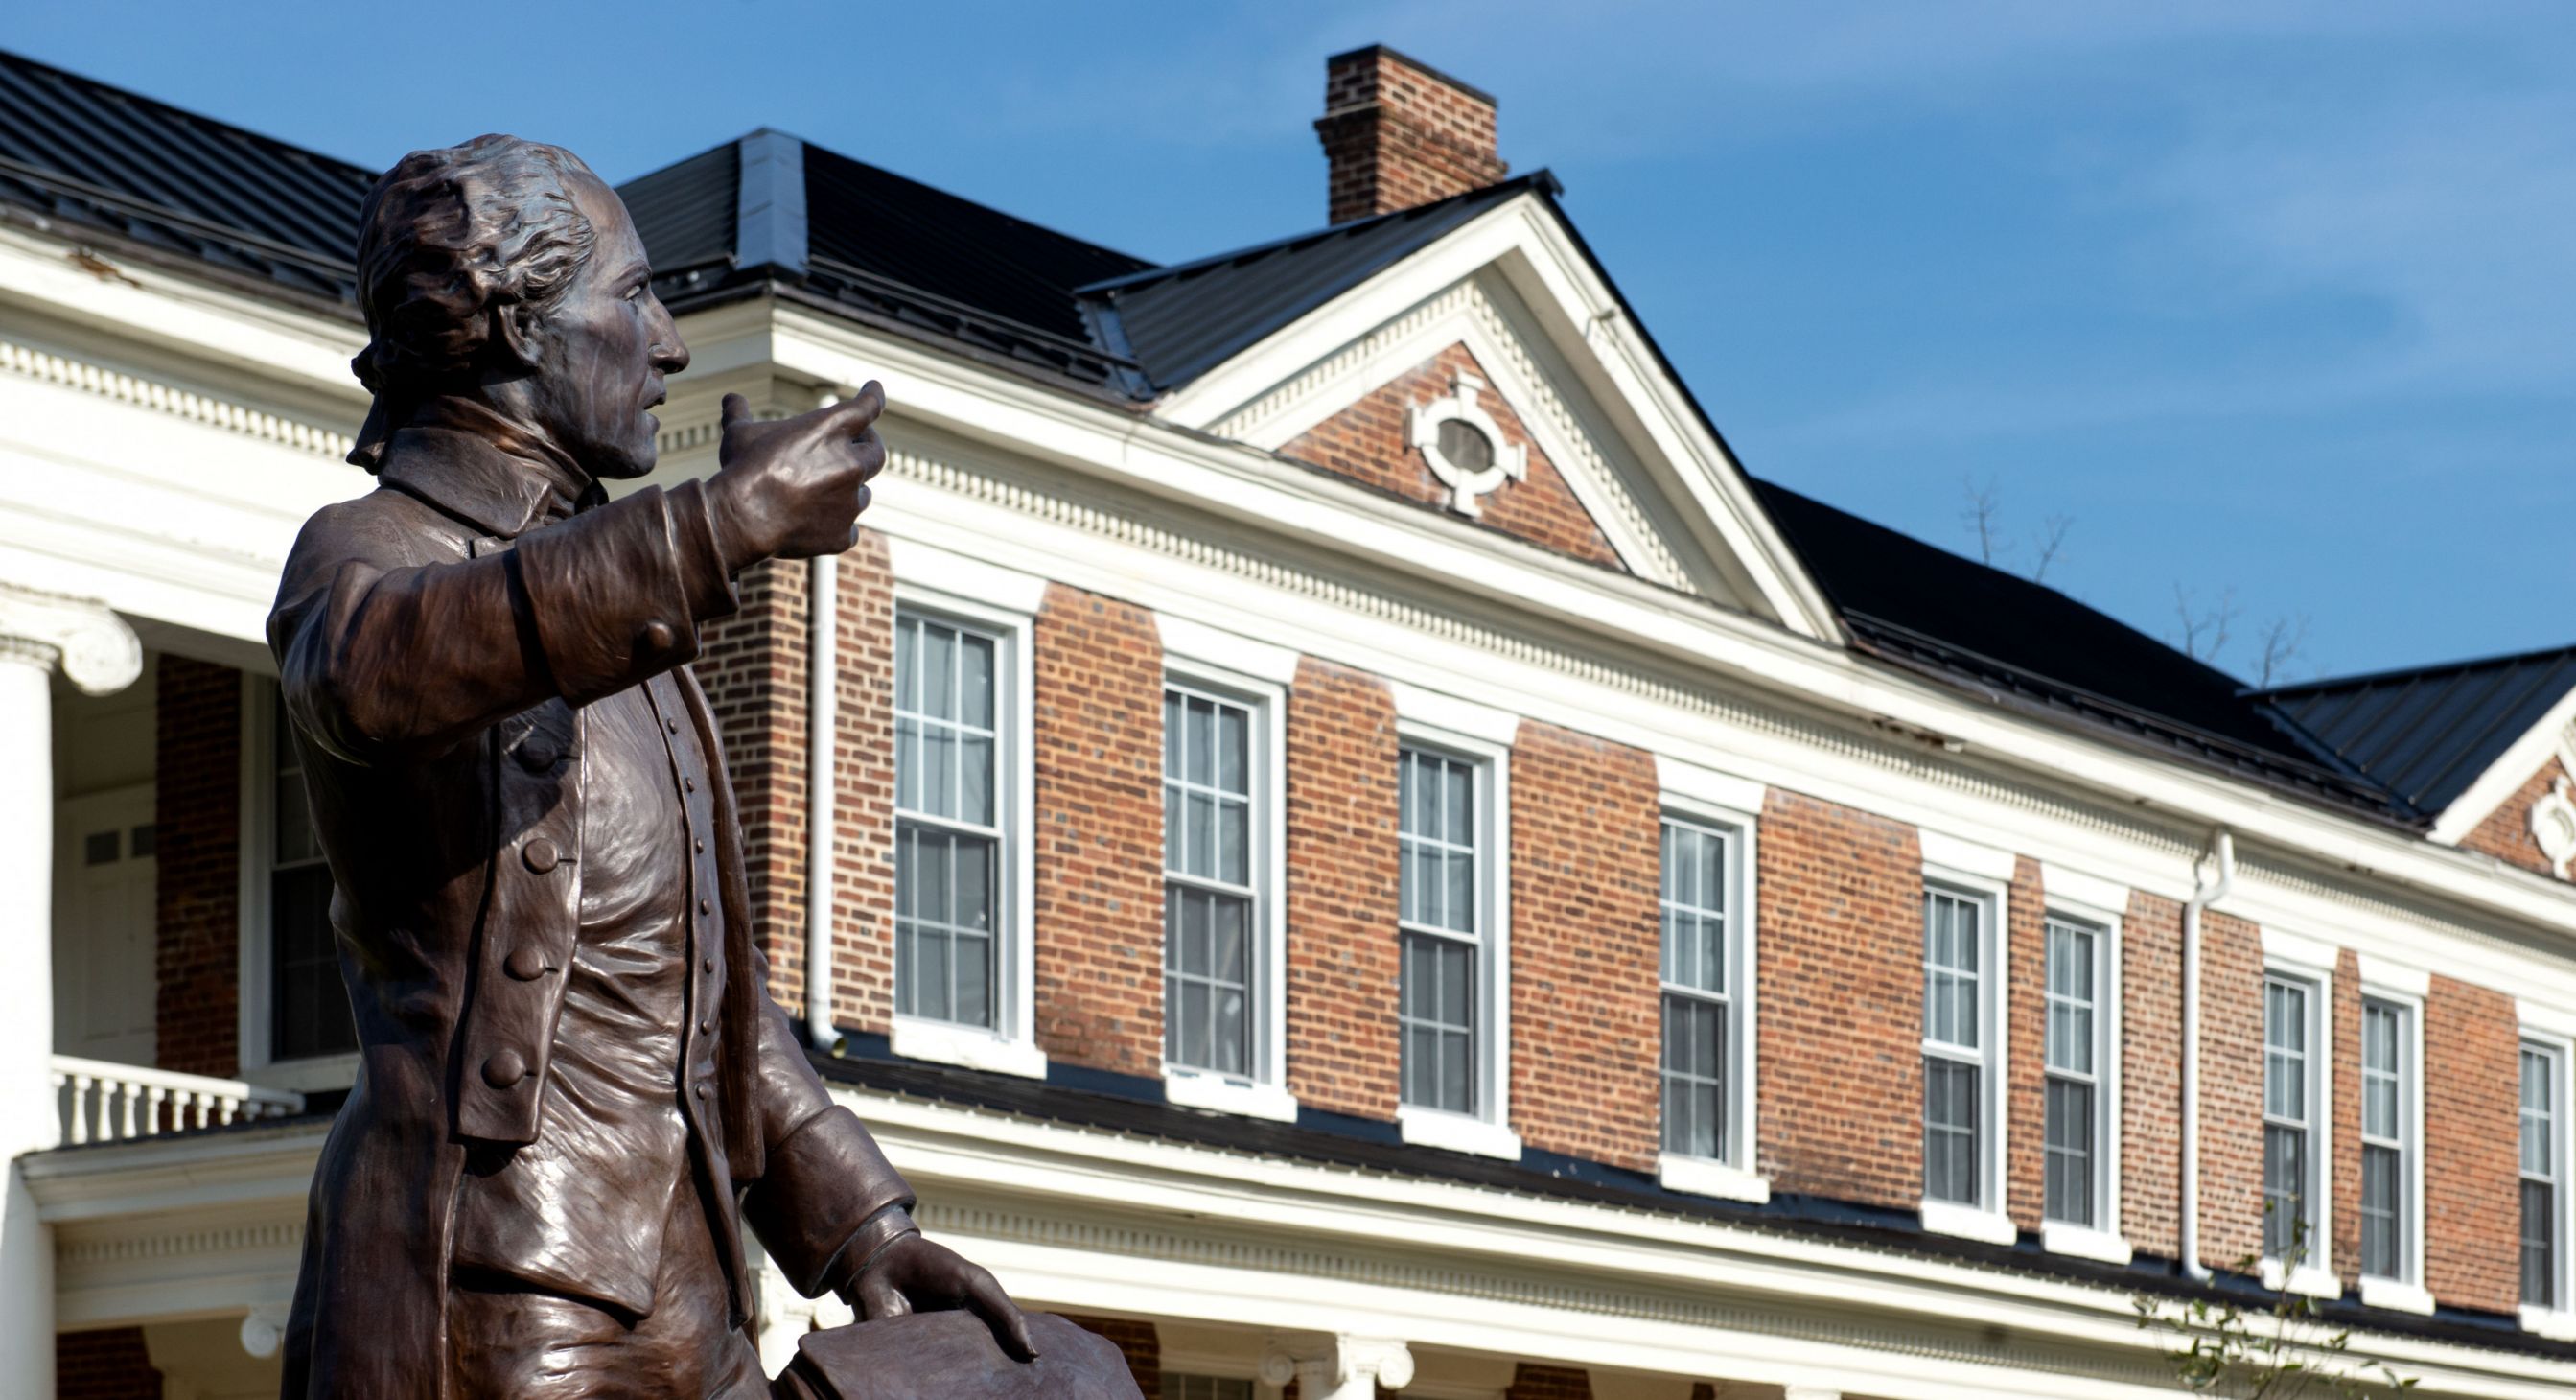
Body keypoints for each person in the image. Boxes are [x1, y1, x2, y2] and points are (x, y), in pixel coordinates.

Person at [268, 134, 1033, 1400]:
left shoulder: (635, 633)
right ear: (517, 321)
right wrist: (719, 527)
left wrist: (863, 1227)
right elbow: (368, 673)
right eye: (635, 295)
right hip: (497, 1289)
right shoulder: (370, 553)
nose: (670, 344)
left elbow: (696, 994)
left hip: (696, 1304)